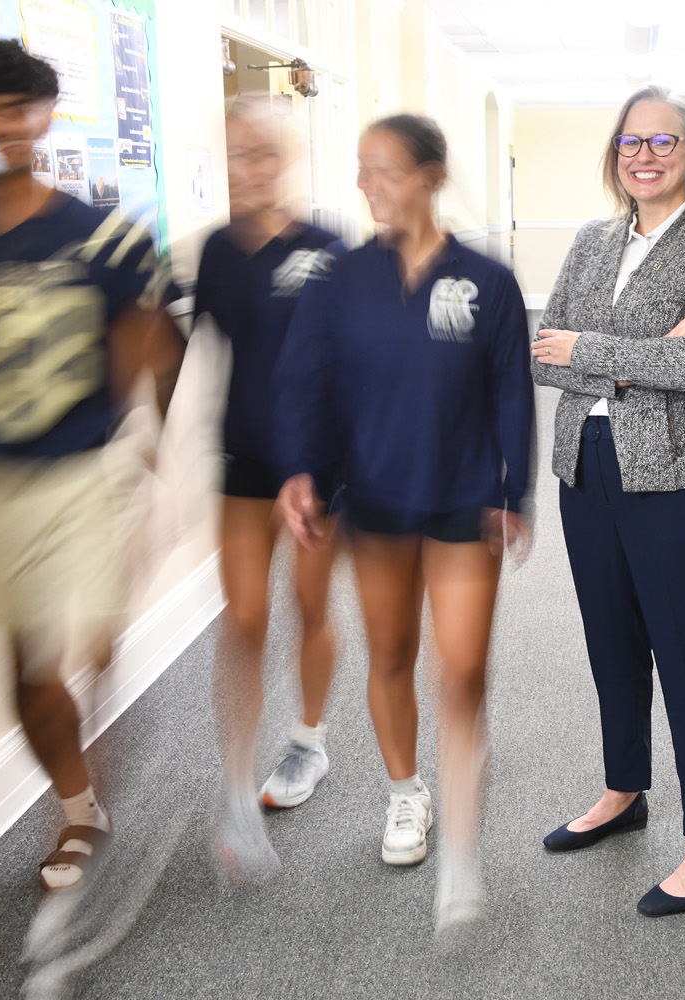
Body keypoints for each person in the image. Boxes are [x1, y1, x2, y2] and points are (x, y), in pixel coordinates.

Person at [0, 39, 181, 892]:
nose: (15, 125)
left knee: (89, 638)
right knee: (30, 667)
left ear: (51, 115)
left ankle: (91, 761)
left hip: (84, 472)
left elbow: (150, 339)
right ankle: (80, 805)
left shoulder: (98, 235)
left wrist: (148, 452)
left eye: (29, 108)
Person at [272, 114, 533, 928]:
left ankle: (461, 845)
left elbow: (512, 393)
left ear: (428, 174)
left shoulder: (487, 281)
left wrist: (512, 491)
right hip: (376, 501)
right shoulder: (340, 279)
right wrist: (303, 475)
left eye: (382, 169)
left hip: (462, 498)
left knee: (460, 672)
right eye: (360, 169)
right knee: (391, 653)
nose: (366, 185)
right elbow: (306, 384)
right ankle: (405, 793)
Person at [531, 85, 685, 917]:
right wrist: (640, 354)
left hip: (678, 472)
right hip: (585, 464)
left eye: (664, 142)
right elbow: (542, 354)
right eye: (631, 143)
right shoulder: (590, 240)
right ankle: (623, 790)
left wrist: (589, 348)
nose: (645, 156)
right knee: (612, 644)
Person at [194, 96, 339, 881]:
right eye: (236, 153)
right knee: (244, 618)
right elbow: (187, 351)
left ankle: (309, 740)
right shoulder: (217, 251)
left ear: (291, 159)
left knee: (309, 606)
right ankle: (237, 792)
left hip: (315, 467)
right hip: (242, 464)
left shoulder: (330, 248)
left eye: (264, 153)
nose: (249, 168)